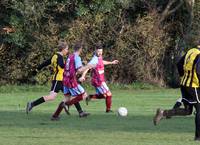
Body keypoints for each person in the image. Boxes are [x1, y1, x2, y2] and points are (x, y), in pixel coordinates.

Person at [26, 40, 86, 118]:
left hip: (61, 80)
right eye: (67, 49)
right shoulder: (60, 57)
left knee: (70, 95)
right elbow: (62, 65)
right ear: (63, 49)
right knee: (52, 97)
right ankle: (32, 104)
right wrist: (72, 65)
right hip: (59, 80)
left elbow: (45, 63)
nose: (67, 51)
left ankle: (80, 112)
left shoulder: (54, 56)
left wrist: (36, 70)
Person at [153, 42, 200, 141]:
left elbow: (179, 63)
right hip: (194, 86)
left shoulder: (191, 51)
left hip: (184, 84)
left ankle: (163, 113)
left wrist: (184, 76)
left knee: (188, 111)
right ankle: (198, 137)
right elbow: (198, 71)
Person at [51, 41, 93, 119]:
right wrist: (88, 66)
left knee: (67, 98)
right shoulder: (77, 57)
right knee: (84, 95)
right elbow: (80, 70)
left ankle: (55, 116)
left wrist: (82, 64)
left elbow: (71, 68)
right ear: (80, 49)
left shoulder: (70, 56)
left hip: (65, 79)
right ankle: (67, 105)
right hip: (71, 80)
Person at [79, 43, 119, 112]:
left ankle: (90, 97)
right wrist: (83, 76)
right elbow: (87, 68)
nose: (100, 53)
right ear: (95, 51)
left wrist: (111, 62)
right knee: (109, 94)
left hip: (100, 80)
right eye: (98, 51)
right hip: (98, 81)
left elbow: (102, 62)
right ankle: (108, 110)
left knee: (104, 95)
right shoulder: (94, 59)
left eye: (101, 51)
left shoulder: (99, 57)